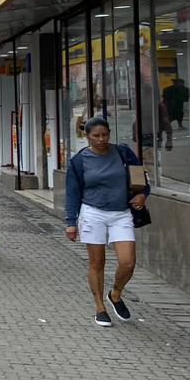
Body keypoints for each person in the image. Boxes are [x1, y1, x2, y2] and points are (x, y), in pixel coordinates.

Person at [65, 117, 149, 327]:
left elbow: (141, 180)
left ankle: (116, 294)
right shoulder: (79, 160)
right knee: (97, 262)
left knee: (128, 262)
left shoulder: (123, 153)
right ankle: (100, 307)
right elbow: (72, 193)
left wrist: (142, 195)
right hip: (93, 213)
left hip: (121, 213)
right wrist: (71, 222)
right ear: (87, 136)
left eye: (105, 134)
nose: (101, 139)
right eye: (96, 136)